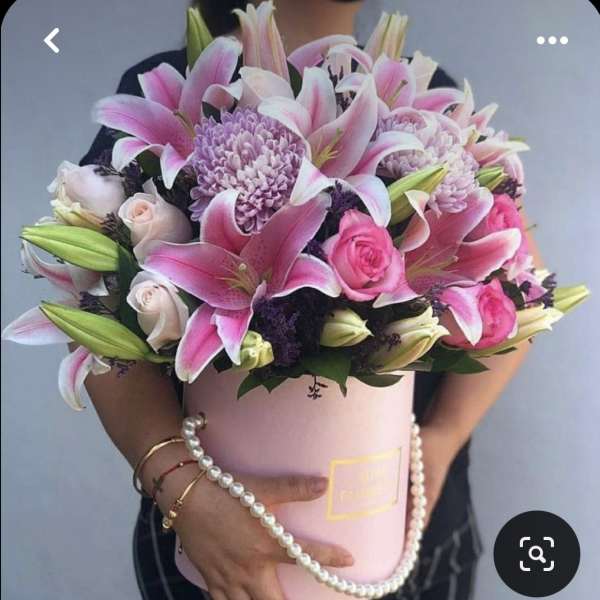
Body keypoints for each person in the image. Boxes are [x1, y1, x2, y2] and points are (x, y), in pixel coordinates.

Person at [79, 1, 543, 599]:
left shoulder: (423, 96)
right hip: (216, 548)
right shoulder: (176, 87)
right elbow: (93, 319)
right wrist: (183, 488)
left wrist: (444, 437)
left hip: (414, 529)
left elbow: (519, 292)